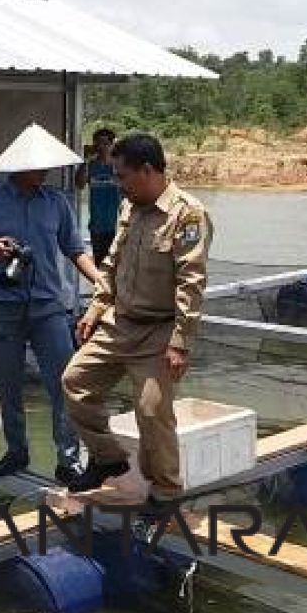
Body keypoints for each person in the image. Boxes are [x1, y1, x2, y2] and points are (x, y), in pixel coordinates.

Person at [63, 133, 213, 503]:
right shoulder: (129, 207)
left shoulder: (187, 214)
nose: (117, 183)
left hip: (159, 331)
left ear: (147, 171)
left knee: (150, 409)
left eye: (122, 175)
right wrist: (97, 306)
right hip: (120, 322)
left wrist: (180, 343)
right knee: (74, 382)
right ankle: (107, 459)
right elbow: (113, 263)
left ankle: (165, 490)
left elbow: (190, 284)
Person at [0, 124, 101, 483]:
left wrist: (101, 280)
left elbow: (74, 249)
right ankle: (16, 451)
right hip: (5, 307)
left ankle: (68, 459)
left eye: (47, 166)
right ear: (19, 166)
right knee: (9, 385)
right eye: (38, 166)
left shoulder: (57, 202)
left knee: (65, 384)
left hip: (48, 308)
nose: (45, 172)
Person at [75, 127, 120, 266]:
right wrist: (86, 161)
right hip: (97, 226)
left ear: (112, 145)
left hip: (118, 226)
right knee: (100, 265)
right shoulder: (90, 166)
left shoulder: (119, 166)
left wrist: (114, 164)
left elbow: (129, 188)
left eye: (105, 143)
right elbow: (79, 184)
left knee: (117, 265)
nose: (101, 147)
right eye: (98, 143)